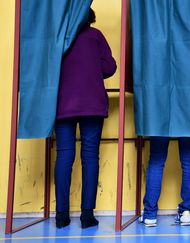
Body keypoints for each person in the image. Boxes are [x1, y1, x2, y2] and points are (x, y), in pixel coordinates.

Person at [54, 8, 116, 229]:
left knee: (64, 157)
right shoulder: (96, 35)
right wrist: (91, 68)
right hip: (92, 104)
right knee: (90, 156)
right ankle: (87, 216)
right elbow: (110, 67)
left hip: (63, 104)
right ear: (90, 17)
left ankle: (61, 216)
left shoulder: (58, 37)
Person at [139, 137, 190, 227]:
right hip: (188, 122)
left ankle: (150, 215)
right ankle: (186, 212)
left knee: (156, 160)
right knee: (188, 159)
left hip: (159, 122)